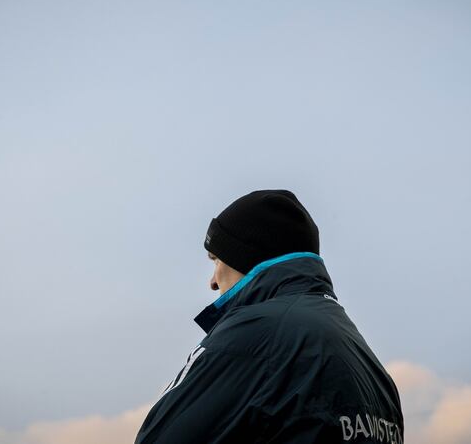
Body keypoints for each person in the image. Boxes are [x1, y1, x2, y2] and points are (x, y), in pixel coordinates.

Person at [135, 189, 403, 443]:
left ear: (246, 258)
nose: (212, 282)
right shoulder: (372, 367)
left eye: (215, 259)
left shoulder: (251, 335)